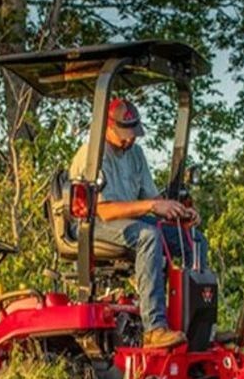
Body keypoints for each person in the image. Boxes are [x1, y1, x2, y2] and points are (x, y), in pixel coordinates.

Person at [68, 98, 208, 349]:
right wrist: (152, 207)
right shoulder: (92, 156)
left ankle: (198, 326)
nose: (130, 139)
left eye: (133, 133)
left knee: (194, 239)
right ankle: (154, 328)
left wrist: (179, 213)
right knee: (148, 235)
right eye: (125, 134)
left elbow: (152, 199)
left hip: (130, 223)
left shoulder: (136, 154)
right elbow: (103, 210)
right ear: (107, 127)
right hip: (93, 225)